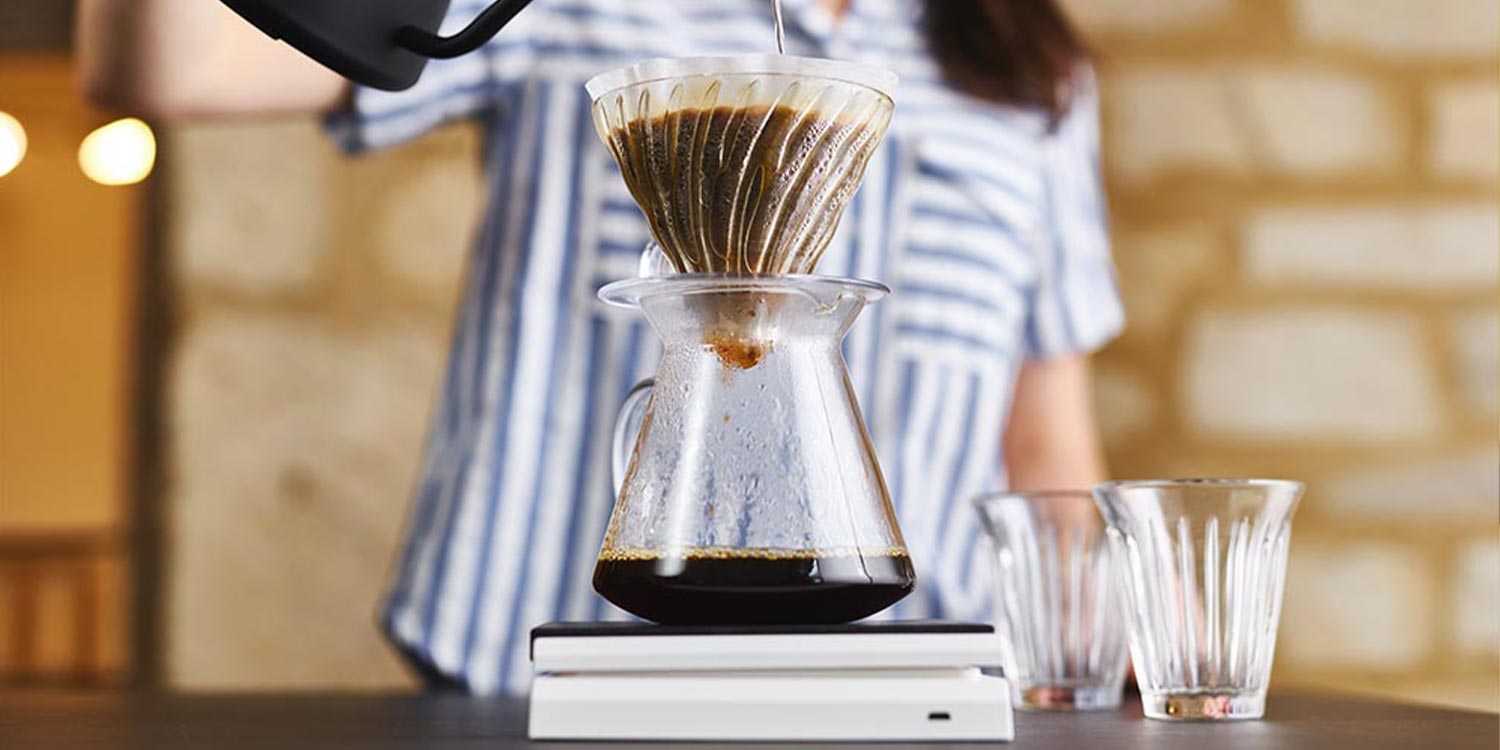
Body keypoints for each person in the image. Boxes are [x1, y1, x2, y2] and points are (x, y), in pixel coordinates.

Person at [80, 0, 1123, 694]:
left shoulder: (1027, 67)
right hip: (539, 680)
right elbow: (168, 66)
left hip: (908, 686)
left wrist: (1105, 665)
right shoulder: (564, 3)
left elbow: (1044, 452)